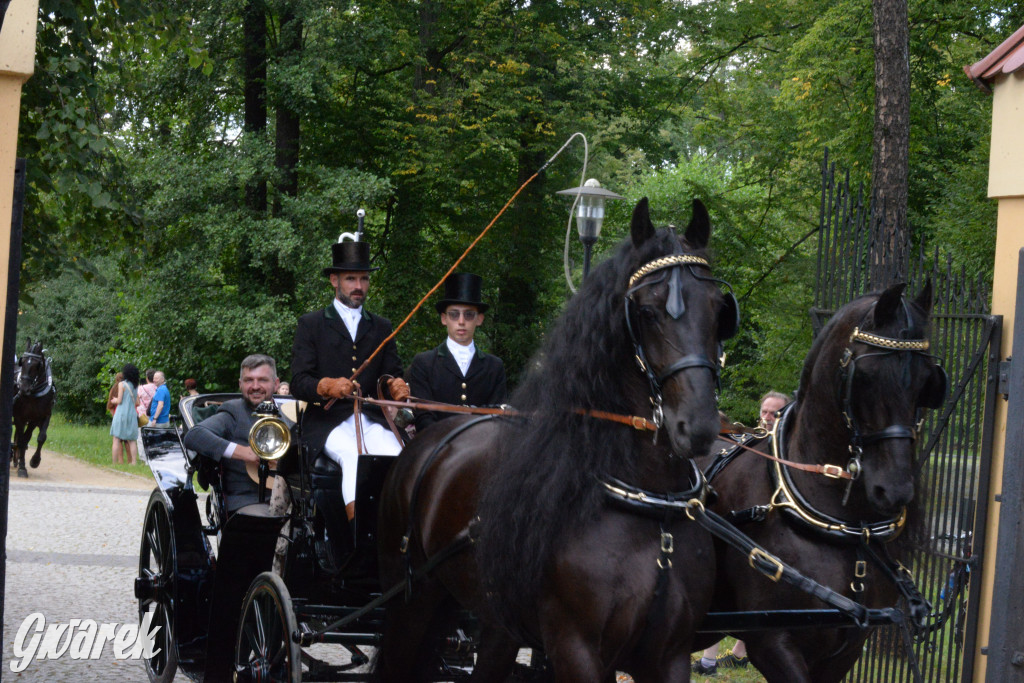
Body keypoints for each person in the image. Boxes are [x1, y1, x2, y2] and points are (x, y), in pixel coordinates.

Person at [291, 235, 409, 521]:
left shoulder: (382, 326)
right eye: (351, 279)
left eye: (364, 279)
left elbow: (391, 372)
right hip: (328, 422)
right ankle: (359, 537)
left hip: (372, 418)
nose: (359, 287)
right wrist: (327, 386)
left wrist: (395, 384)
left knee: (398, 456)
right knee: (355, 458)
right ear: (334, 280)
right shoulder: (312, 324)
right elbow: (298, 382)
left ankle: (397, 529)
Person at [693, 389, 792, 676]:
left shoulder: (784, 453)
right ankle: (716, 658)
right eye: (764, 411)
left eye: (775, 412)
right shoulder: (746, 444)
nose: (767, 417)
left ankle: (734, 653)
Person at [406, 272, 507, 432]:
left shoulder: (494, 366)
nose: (461, 321)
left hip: (482, 446)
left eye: (469, 314)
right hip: (437, 446)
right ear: (444, 319)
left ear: (479, 319)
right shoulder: (424, 363)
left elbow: (497, 416)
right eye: (454, 314)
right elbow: (424, 417)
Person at [183, 354, 281, 515]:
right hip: (248, 501)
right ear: (240, 384)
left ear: (276, 384)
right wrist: (245, 452)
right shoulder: (233, 411)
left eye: (263, 380)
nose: (255, 386)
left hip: (294, 499)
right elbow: (194, 436)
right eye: (249, 380)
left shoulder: (290, 413)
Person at [109, 364, 141, 465]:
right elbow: (137, 403)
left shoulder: (121, 384)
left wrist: (114, 401)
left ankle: (114, 462)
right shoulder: (136, 386)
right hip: (132, 414)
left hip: (121, 413)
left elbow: (119, 400)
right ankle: (134, 462)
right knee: (132, 440)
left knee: (116, 439)